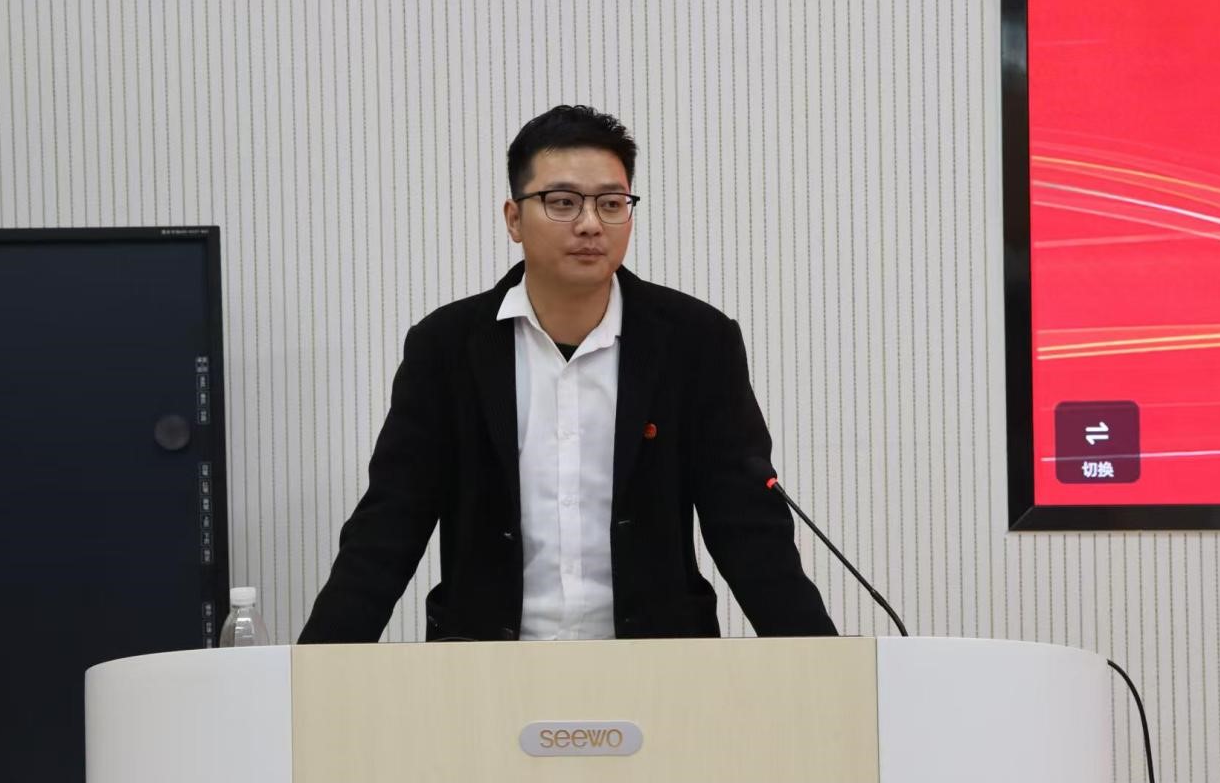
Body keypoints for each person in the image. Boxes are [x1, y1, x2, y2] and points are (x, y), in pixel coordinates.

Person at [298, 105, 836, 643]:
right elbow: (389, 526)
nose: (590, 223)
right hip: (484, 665)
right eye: (562, 202)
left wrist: (826, 667)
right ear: (514, 218)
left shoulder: (695, 343)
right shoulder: (447, 347)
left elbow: (750, 531)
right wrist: (313, 670)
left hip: (659, 665)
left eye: (611, 203)